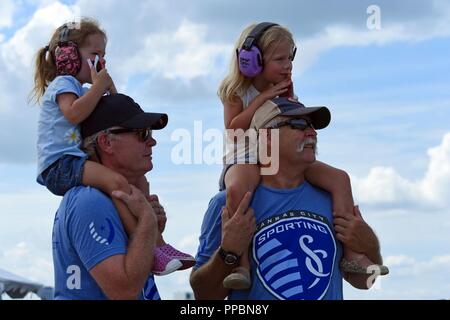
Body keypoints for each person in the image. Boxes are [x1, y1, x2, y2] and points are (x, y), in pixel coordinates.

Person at [217, 22, 386, 289]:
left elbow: (291, 123)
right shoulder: (236, 90)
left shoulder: (284, 86)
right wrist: (264, 100)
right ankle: (242, 264)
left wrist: (289, 99)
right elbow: (233, 129)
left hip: (284, 157)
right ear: (253, 60)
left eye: (291, 57)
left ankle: (353, 254)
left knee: (339, 178)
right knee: (238, 187)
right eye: (280, 59)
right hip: (247, 154)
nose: (288, 65)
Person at [31, 18, 194, 276]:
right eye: (94, 54)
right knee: (117, 183)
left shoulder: (81, 89)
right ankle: (148, 245)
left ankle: (159, 244)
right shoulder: (64, 84)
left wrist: (104, 86)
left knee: (138, 182)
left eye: (103, 55)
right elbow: (73, 115)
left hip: (74, 159)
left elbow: (114, 108)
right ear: (68, 56)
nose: (101, 61)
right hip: (60, 165)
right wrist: (98, 87)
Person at [190, 97, 388, 300]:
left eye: (312, 126)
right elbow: (203, 296)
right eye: (299, 124)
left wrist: (371, 246)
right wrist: (228, 252)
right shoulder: (227, 204)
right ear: (268, 136)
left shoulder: (334, 199)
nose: (312, 132)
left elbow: (365, 282)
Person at [53, 93, 171, 299]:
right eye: (142, 133)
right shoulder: (89, 201)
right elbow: (123, 291)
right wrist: (147, 222)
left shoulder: (111, 200)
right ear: (106, 142)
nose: (152, 142)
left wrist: (148, 232)